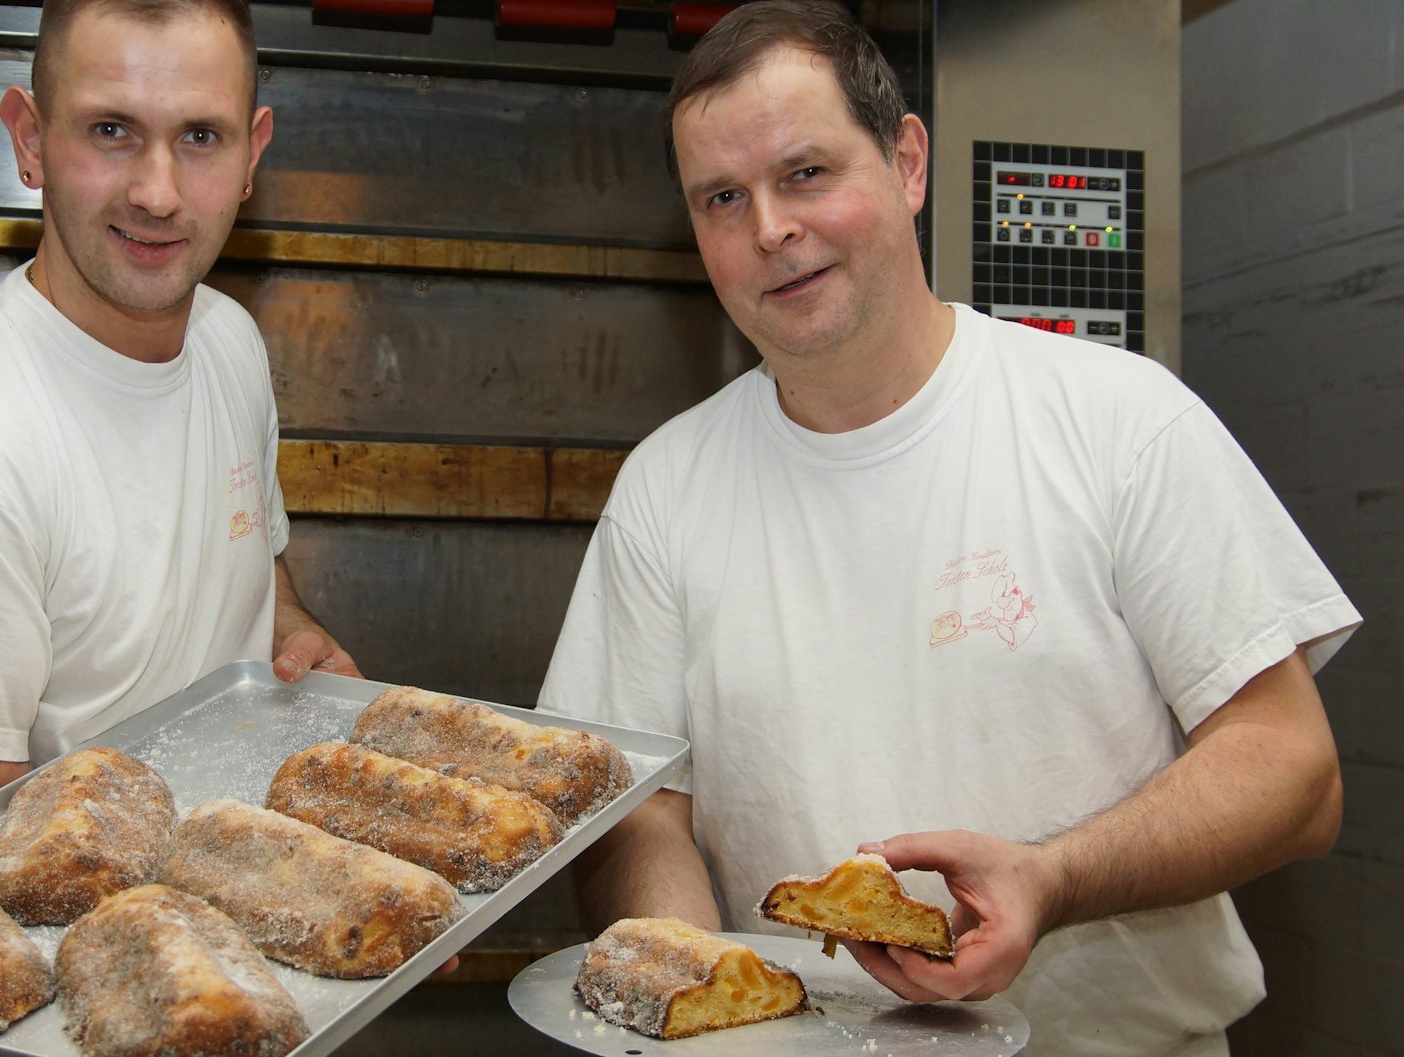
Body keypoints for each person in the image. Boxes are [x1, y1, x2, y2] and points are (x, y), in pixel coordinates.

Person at [537, 3, 1358, 1055]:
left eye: (804, 174)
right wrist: (704, 995)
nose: (769, 232)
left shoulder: (1116, 418)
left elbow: (1292, 772)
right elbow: (638, 809)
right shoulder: (666, 485)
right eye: (721, 199)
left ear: (907, 162)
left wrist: (1051, 878)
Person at [0, 1, 356, 1052]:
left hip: (181, 976)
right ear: (26, 140)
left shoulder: (225, 342)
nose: (156, 191)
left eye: (199, 137)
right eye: (109, 130)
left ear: (251, 155)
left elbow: (245, 559)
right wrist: (303, 893)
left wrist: (287, 633)